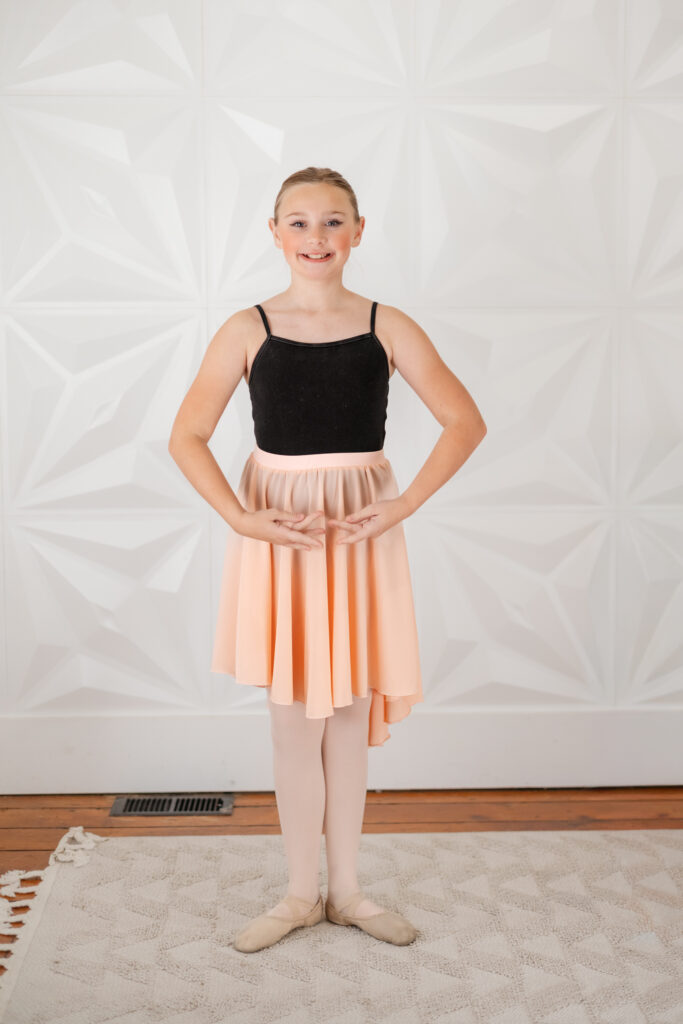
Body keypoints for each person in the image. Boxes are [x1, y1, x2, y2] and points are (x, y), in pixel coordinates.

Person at [168, 166, 487, 953]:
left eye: (334, 221)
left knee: (345, 719)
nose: (317, 237)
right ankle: (295, 894)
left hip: (358, 530)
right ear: (275, 233)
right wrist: (242, 518)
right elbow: (186, 436)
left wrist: (404, 504)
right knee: (290, 722)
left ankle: (346, 891)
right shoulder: (246, 328)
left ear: (358, 231)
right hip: (281, 538)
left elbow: (464, 422)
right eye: (300, 222)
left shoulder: (387, 324)